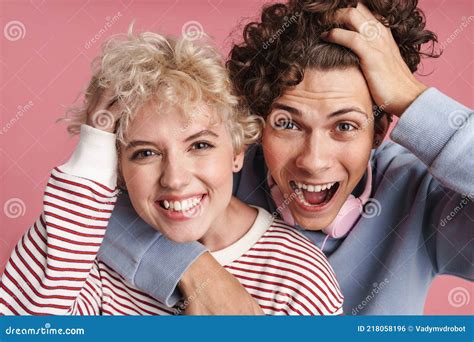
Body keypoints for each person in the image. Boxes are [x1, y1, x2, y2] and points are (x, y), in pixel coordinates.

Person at [96, 0, 473, 315]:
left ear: (379, 130)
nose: (313, 160)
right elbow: (87, 209)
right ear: (256, 125)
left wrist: (411, 97)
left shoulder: (426, 199)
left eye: (345, 126)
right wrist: (192, 271)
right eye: (287, 124)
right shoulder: (218, 171)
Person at [0, 28, 343, 315]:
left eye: (200, 145)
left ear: (237, 150)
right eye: (145, 153)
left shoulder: (297, 277)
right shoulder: (83, 248)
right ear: (117, 168)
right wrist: (91, 156)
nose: (175, 179)